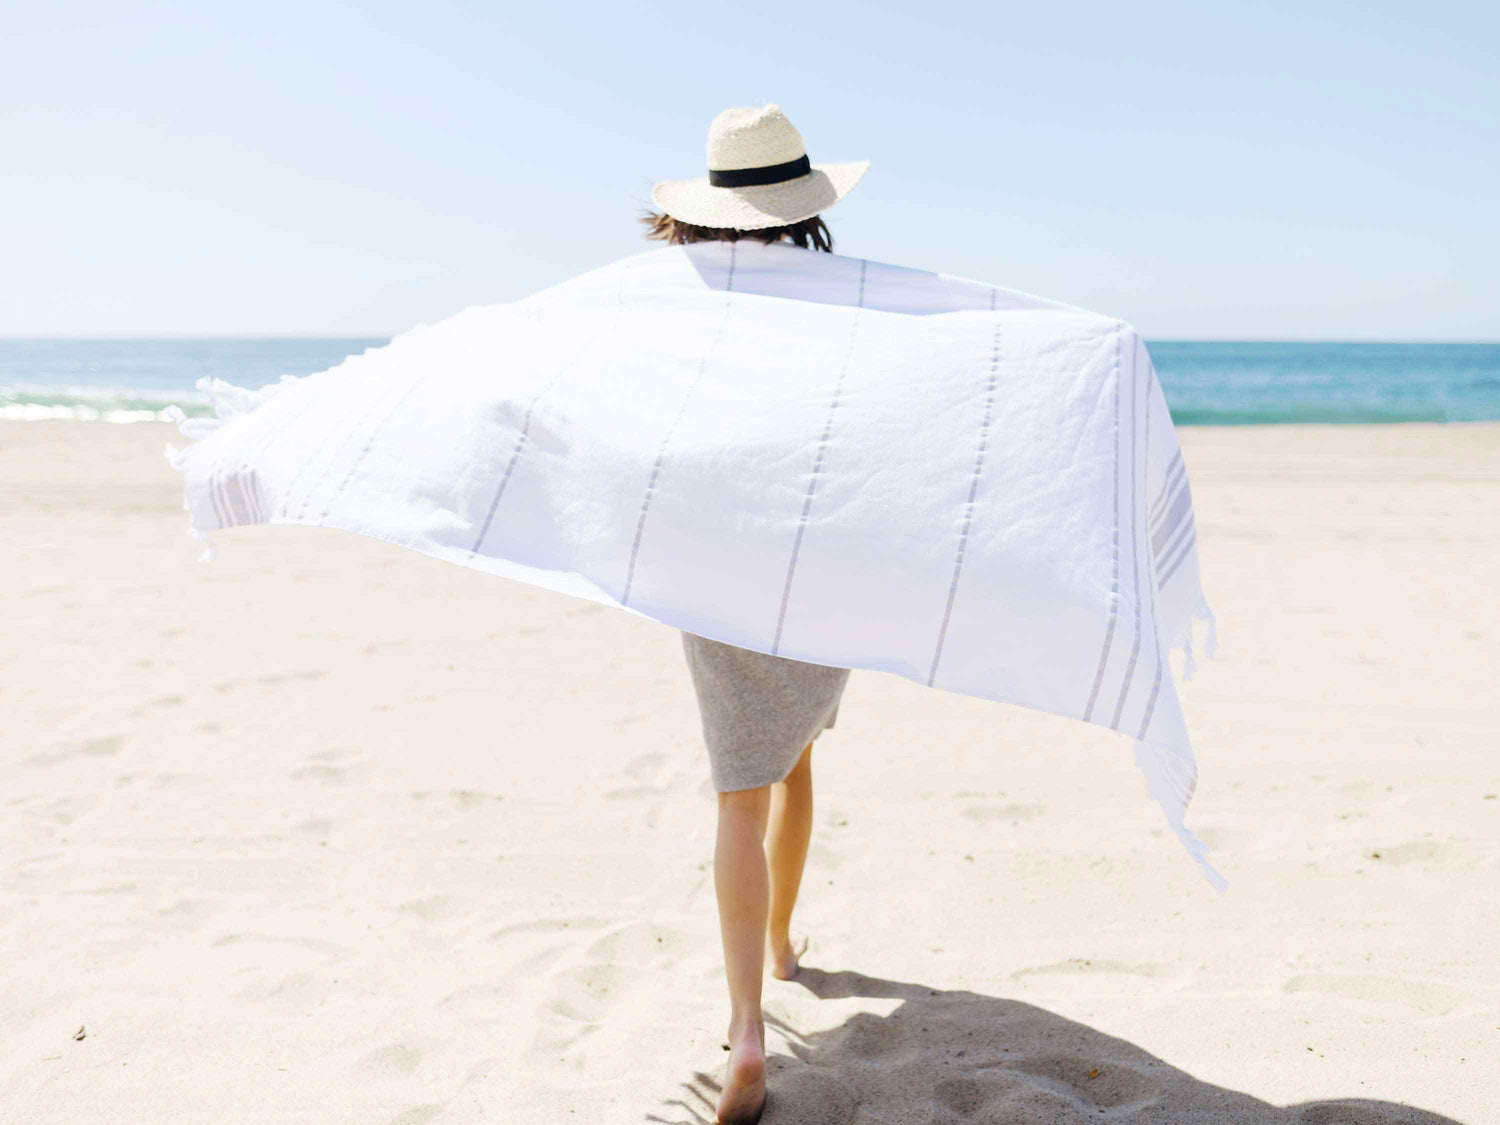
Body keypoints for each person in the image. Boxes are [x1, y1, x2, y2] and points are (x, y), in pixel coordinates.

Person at [643, 103, 869, 1125]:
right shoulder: (847, 299)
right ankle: (781, 946)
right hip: (815, 548)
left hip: (712, 547)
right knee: (800, 756)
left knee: (740, 786)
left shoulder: (671, 302)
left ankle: (744, 1029)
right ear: (804, 200)